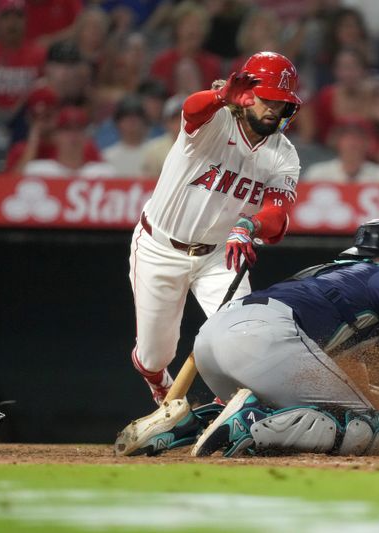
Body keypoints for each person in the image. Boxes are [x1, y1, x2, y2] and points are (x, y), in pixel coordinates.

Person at [119, 220, 379, 457]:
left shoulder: (325, 278)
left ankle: (190, 425)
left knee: (348, 408)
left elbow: (359, 389)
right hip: (266, 342)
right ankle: (250, 421)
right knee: (368, 429)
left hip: (215, 345)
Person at [129, 51, 302, 405]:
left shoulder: (284, 154)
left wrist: (249, 224)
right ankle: (159, 381)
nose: (273, 108)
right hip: (161, 246)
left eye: (280, 102)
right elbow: (192, 110)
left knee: (243, 338)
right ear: (247, 94)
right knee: (153, 356)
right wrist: (220, 97)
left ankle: (227, 405)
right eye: (266, 98)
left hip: (221, 254)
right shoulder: (216, 120)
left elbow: (277, 219)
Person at [303, 120, 379, 184]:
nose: (352, 142)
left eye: (359, 137)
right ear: (337, 141)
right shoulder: (317, 174)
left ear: (368, 143)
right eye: (347, 137)